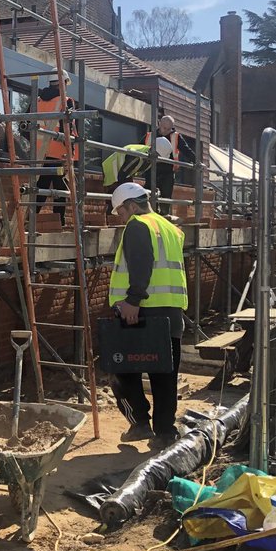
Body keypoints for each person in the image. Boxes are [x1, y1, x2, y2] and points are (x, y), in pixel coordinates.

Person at [107, 181, 188, 444]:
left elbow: (142, 264)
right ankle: (165, 432)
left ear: (131, 206)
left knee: (120, 368)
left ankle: (140, 422)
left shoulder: (138, 225)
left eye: (120, 212)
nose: (121, 218)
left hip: (142, 312)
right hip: (172, 312)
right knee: (165, 375)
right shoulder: (170, 228)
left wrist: (133, 301)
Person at [35, 72, 78, 225]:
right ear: (63, 83)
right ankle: (58, 223)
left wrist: (35, 145)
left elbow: (23, 127)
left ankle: (30, 220)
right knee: (60, 190)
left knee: (41, 188)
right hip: (59, 153)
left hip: (40, 154)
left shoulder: (37, 101)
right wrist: (71, 152)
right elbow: (69, 129)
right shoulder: (65, 101)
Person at [102, 136, 175, 191]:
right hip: (110, 173)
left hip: (120, 175)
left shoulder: (149, 158)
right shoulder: (136, 156)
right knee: (117, 200)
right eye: (159, 157)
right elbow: (122, 176)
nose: (159, 161)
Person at [145, 115, 180, 201]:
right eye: (164, 128)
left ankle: (164, 212)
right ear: (159, 123)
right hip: (151, 170)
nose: (166, 131)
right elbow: (138, 148)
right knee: (149, 196)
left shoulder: (175, 137)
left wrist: (197, 162)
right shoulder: (150, 136)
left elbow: (187, 150)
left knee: (166, 199)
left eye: (169, 129)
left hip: (167, 172)